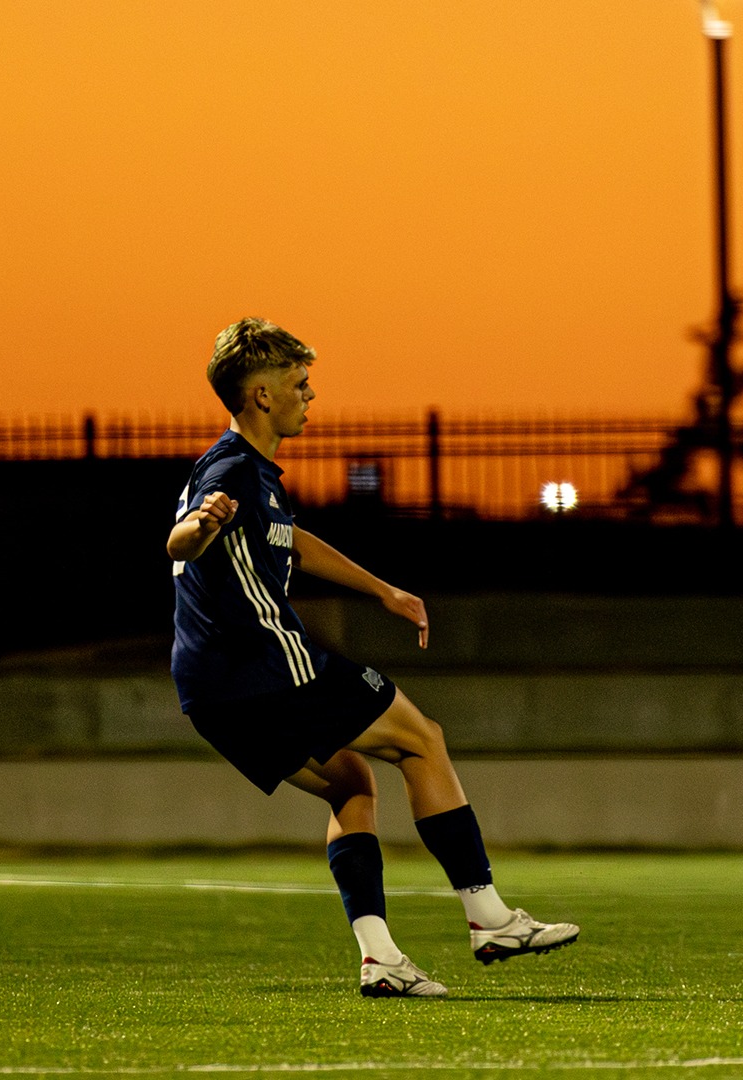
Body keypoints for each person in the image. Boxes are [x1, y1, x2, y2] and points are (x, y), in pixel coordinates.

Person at [168, 318, 579, 998]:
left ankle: (381, 959)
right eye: (300, 383)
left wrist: (383, 590)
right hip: (268, 669)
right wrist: (198, 527)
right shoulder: (232, 469)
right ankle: (490, 918)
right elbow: (180, 541)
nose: (310, 395)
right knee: (423, 738)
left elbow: (292, 540)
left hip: (211, 691)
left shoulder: (243, 470)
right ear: (262, 395)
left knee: (352, 783)